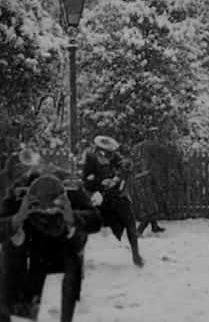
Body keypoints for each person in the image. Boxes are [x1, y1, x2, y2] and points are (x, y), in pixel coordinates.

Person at [0, 170, 102, 322]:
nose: (47, 211)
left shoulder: (73, 190)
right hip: (32, 245)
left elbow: (96, 220)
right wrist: (18, 217)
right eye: (41, 207)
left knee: (73, 261)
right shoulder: (18, 192)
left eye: (52, 206)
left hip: (65, 243)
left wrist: (72, 217)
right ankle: (15, 305)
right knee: (10, 245)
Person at [81, 135, 144, 267]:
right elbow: (85, 179)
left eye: (110, 152)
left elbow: (124, 167)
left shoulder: (114, 156)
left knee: (130, 221)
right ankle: (78, 257)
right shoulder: (90, 158)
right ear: (98, 149)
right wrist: (99, 183)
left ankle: (136, 255)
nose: (108, 155)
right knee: (84, 223)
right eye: (104, 151)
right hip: (100, 198)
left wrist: (116, 178)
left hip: (116, 196)